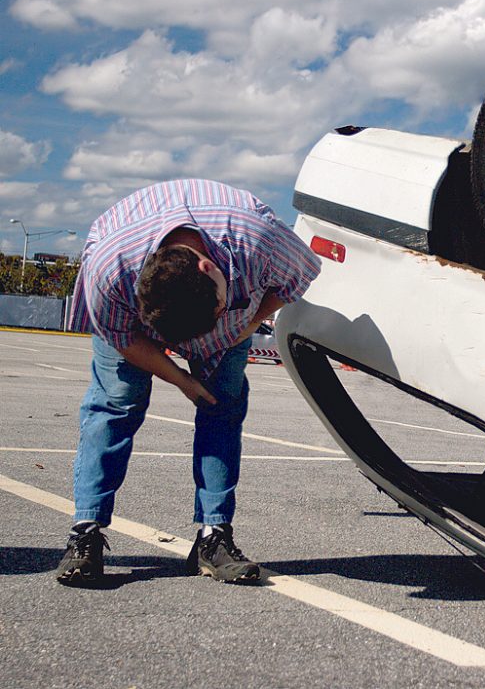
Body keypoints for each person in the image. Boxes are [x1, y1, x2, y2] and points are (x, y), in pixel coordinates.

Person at [55, 178, 320, 585]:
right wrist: (181, 378)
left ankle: (213, 538)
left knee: (222, 409)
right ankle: (85, 533)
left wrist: (244, 324)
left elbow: (300, 277)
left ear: (209, 267)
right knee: (116, 404)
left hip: (235, 323)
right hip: (143, 316)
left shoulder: (259, 239)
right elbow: (123, 338)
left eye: (213, 311)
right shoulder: (109, 267)